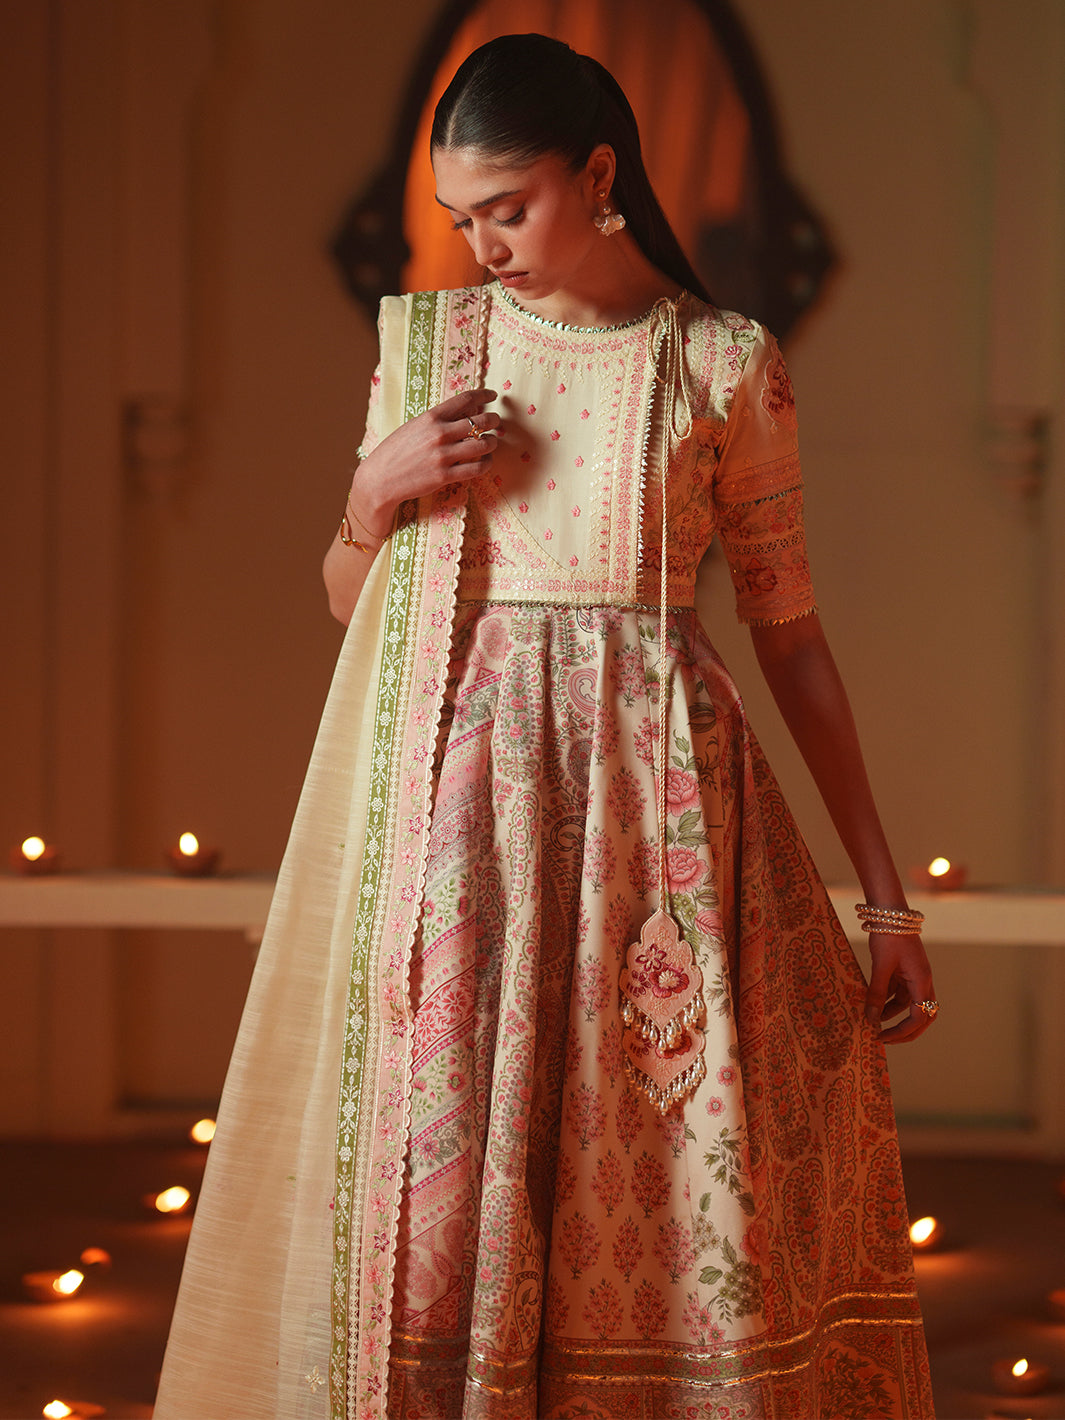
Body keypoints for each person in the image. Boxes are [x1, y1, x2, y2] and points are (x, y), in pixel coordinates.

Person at [155, 32, 937, 1420]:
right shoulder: (434, 351)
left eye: (507, 209)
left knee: (678, 1179)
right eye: (462, 218)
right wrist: (374, 492)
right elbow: (349, 602)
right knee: (443, 1188)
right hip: (472, 827)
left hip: (667, 824)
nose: (484, 247)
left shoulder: (722, 363)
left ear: (598, 174)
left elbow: (791, 635)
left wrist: (884, 900)